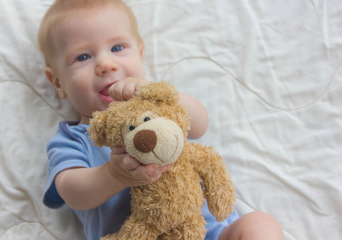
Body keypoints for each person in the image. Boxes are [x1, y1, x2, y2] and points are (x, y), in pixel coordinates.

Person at [38, 0, 284, 239]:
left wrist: (160, 95)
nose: (106, 64)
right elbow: (73, 193)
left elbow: (199, 123)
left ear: (140, 52)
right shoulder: (72, 140)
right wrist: (115, 175)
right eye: (82, 57)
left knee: (259, 223)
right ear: (58, 82)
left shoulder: (160, 107)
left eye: (117, 48)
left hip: (209, 233)